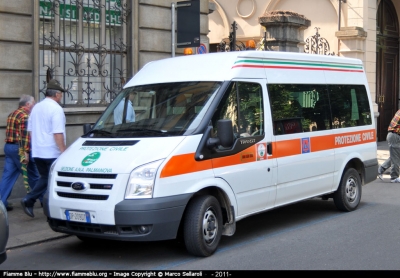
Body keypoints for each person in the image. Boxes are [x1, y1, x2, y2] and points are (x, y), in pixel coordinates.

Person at [20, 79, 66, 218]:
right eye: (61, 94)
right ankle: (32, 200)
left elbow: (31, 131)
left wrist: (35, 147)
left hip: (38, 151)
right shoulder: (56, 109)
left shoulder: (36, 108)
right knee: (54, 180)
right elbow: (57, 133)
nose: (61, 96)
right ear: (57, 94)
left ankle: (37, 202)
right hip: (52, 151)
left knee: (45, 178)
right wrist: (63, 151)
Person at [0, 95, 39, 211]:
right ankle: (44, 200)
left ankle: (1, 203)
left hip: (9, 147)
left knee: (8, 176)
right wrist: (25, 152)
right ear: (28, 104)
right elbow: (25, 136)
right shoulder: (25, 116)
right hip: (19, 149)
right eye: (33, 103)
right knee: (34, 176)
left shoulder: (12, 114)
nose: (34, 104)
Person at [380, 109, 400, 183]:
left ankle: (381, 169)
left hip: (394, 135)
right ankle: (394, 177)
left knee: (396, 156)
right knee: (395, 158)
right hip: (395, 136)